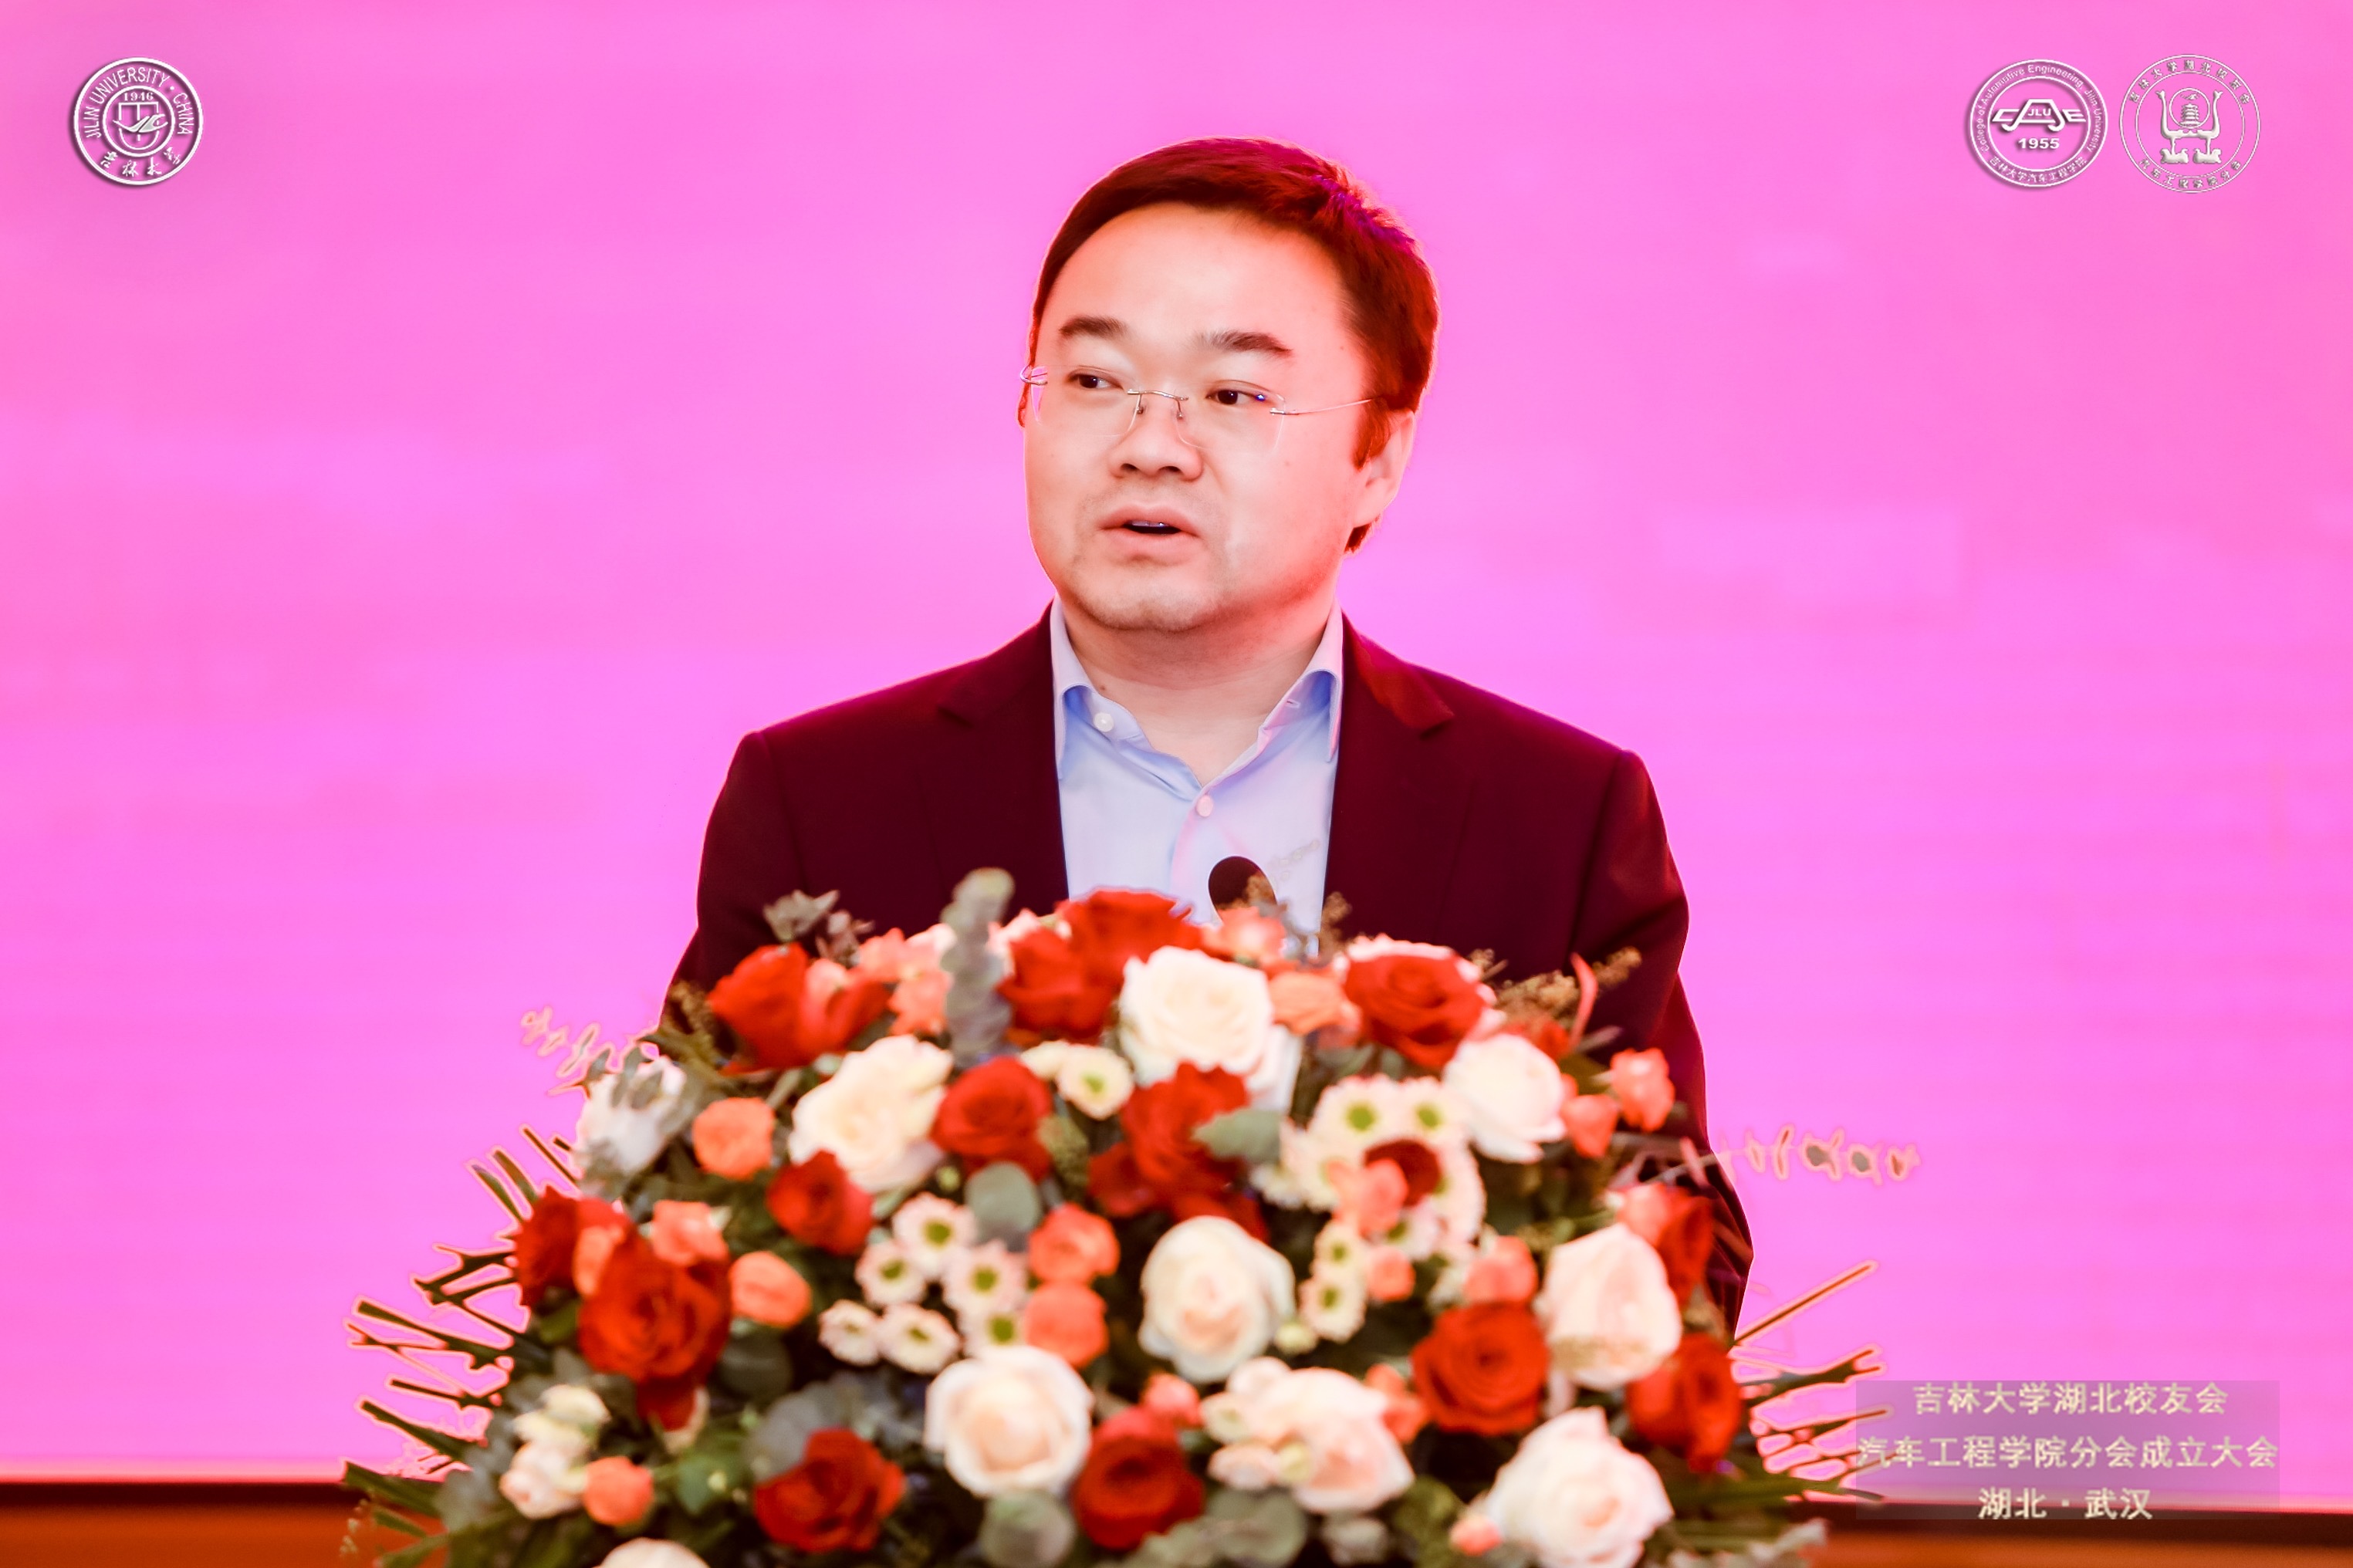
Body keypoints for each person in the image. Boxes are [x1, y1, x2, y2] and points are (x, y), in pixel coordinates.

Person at [677, 138, 1749, 1317]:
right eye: (1093, 381)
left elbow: (1675, 1252)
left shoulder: (1555, 818)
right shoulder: (819, 802)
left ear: (1379, 458)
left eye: (1234, 395)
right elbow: (686, 1224)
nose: (1148, 444)